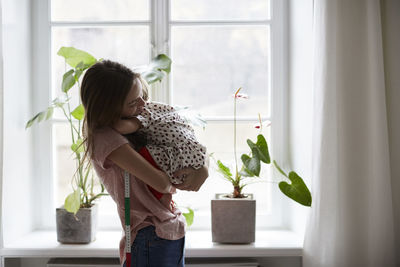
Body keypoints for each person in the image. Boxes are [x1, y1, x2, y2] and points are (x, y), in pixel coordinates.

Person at [80, 60, 209, 267]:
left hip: (167, 227)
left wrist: (203, 167)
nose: (143, 105)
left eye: (141, 96)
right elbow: (161, 183)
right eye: (132, 103)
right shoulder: (105, 138)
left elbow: (182, 138)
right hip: (148, 233)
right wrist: (184, 171)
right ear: (108, 107)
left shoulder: (135, 122)